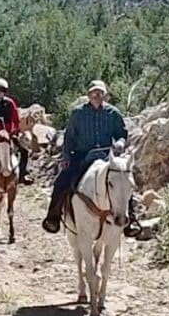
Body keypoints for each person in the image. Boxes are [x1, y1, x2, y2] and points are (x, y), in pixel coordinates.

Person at [42, 79, 134, 235]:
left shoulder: (113, 113)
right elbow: (69, 137)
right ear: (89, 94)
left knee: (124, 182)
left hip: (106, 156)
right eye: (94, 92)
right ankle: (54, 217)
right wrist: (66, 158)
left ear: (105, 95)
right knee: (62, 181)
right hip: (82, 156)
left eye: (100, 92)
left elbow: (122, 134)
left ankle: (130, 220)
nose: (97, 95)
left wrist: (119, 143)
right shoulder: (78, 113)